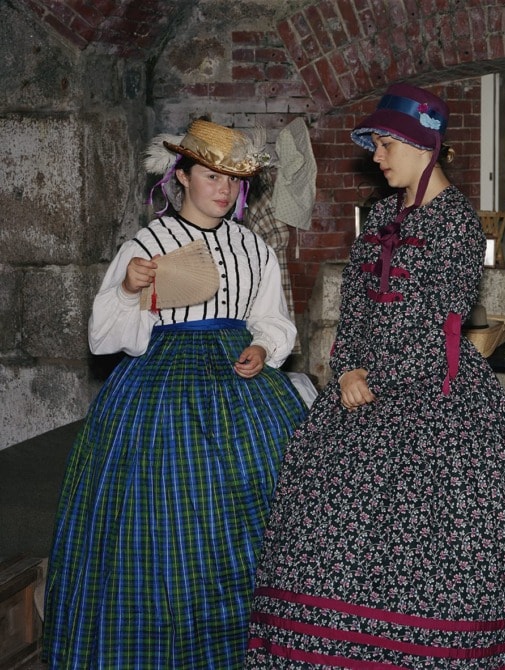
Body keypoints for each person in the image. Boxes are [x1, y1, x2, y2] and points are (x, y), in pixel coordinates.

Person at [244, 83, 505, 668]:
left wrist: (375, 374)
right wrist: (345, 369)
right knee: (324, 523)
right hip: (359, 383)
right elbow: (356, 310)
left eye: (386, 144)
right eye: (376, 146)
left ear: (423, 146)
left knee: (439, 528)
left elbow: (440, 324)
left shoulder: (458, 225)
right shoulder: (382, 217)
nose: (377, 156)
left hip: (434, 388)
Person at [42, 119, 308, 669]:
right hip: (163, 387)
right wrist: (129, 289)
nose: (223, 190)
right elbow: (103, 335)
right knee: (166, 516)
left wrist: (263, 348)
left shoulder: (251, 246)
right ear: (181, 176)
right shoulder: (148, 243)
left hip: (242, 388)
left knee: (262, 506)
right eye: (211, 176)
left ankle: (265, 641)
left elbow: (272, 319)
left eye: (233, 182)